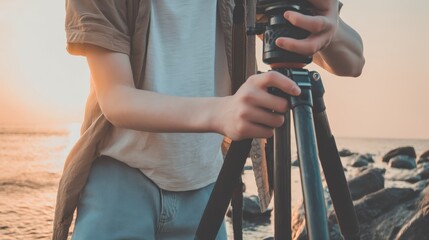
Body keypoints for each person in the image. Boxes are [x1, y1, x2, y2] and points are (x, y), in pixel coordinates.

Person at [53, 0, 364, 239]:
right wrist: (223, 112)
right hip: (119, 184)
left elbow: (354, 60)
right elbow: (116, 98)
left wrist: (329, 24)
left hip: (206, 189)